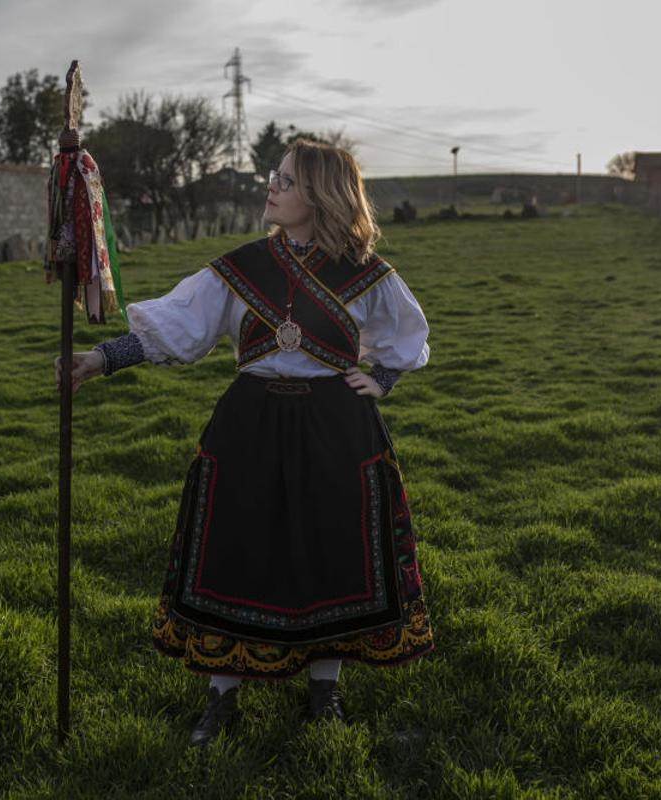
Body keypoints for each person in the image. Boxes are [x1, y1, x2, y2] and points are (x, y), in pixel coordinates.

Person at [55, 139, 434, 747]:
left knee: (331, 549)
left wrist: (383, 376)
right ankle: (221, 695)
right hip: (250, 424)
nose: (271, 187)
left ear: (320, 194)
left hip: (336, 428)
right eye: (274, 177)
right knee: (233, 546)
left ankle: (324, 690)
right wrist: (103, 358)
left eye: (284, 180)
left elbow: (406, 334)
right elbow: (182, 328)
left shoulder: (368, 276)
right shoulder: (241, 267)